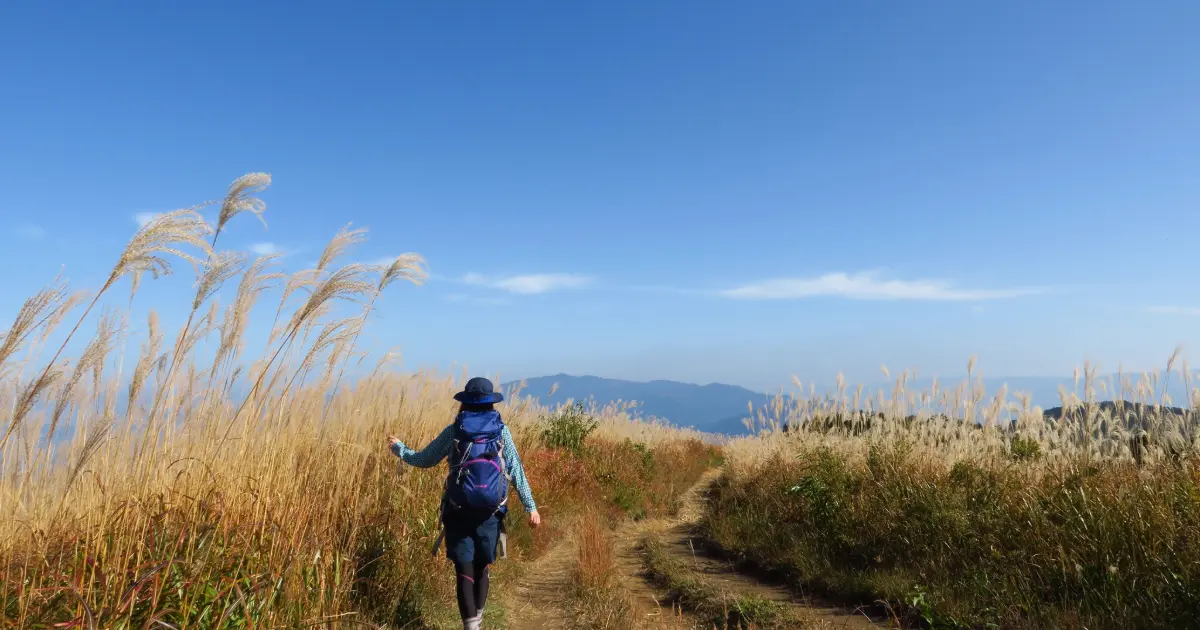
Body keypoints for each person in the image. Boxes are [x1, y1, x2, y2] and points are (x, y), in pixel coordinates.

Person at [387, 377, 541, 630]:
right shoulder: (502, 432)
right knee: (481, 569)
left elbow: (424, 459)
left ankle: (471, 627)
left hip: (457, 511)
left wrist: (400, 449)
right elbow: (516, 470)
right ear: (491, 403)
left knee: (464, 571)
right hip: (491, 512)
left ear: (465, 402)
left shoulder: (454, 431)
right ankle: (477, 621)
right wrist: (531, 507)